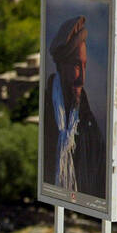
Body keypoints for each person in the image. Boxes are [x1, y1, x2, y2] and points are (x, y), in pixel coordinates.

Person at [43, 15, 106, 199]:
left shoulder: (88, 125)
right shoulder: (47, 113)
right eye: (77, 66)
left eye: (85, 66)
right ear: (61, 66)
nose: (82, 78)